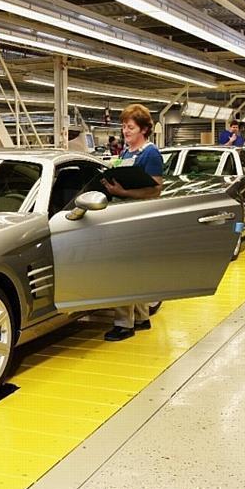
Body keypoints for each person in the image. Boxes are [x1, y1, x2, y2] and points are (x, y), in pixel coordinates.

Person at [100, 104, 164, 342]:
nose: (125, 131)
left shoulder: (150, 153)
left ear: (144, 129)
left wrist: (123, 192)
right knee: (133, 269)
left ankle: (123, 324)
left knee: (122, 270)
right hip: (123, 215)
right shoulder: (126, 153)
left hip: (137, 218)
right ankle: (141, 316)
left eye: (130, 127)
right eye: (124, 126)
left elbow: (155, 190)